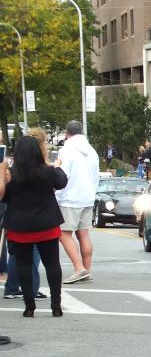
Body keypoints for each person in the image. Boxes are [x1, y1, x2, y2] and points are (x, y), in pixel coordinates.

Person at [0, 136, 67, 317]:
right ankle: (56, 305)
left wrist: (3, 172)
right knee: (52, 264)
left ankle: (29, 306)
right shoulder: (47, 171)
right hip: (47, 224)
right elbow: (62, 182)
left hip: (19, 226)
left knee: (23, 265)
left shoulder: (11, 174)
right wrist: (53, 164)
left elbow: (3, 197)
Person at [57, 120, 100, 284]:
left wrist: (57, 196)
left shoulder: (66, 150)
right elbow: (96, 176)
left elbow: (61, 176)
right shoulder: (92, 151)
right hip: (87, 196)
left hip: (70, 197)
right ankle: (86, 269)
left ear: (67, 134)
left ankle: (78, 268)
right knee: (83, 234)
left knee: (63, 234)